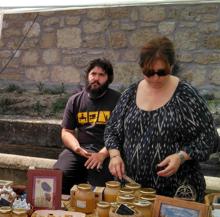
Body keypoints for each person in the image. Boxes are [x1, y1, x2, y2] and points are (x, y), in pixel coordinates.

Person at [104, 36, 218, 202]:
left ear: (171, 66)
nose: (155, 78)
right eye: (149, 73)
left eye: (161, 72)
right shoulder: (130, 94)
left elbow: (210, 139)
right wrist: (114, 156)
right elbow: (112, 130)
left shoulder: (186, 96)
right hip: (133, 192)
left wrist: (181, 157)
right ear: (142, 68)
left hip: (176, 193)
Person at [54, 58, 120, 194]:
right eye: (93, 74)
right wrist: (76, 147)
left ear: (108, 78)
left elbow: (121, 134)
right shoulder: (75, 100)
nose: (96, 78)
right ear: (87, 76)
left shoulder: (117, 100)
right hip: (80, 150)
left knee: (99, 191)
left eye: (101, 75)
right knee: (57, 177)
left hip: (106, 152)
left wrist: (101, 155)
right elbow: (66, 131)